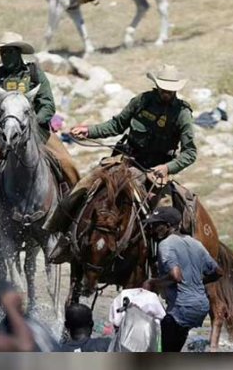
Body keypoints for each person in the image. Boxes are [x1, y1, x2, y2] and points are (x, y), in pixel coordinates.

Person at [43, 64, 197, 261]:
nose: (167, 93)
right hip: (126, 160)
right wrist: (88, 131)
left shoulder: (182, 113)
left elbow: (190, 152)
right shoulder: (142, 101)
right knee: (82, 187)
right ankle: (59, 237)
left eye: (170, 89)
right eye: (164, 88)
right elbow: (116, 125)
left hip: (155, 171)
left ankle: (160, 261)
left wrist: (168, 167)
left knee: (165, 217)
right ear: (157, 86)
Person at [0, 32, 80, 239]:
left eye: (8, 51)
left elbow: (48, 104)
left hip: (37, 131)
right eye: (2, 51)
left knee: (67, 163)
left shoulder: (35, 74)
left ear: (18, 52)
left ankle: (73, 211)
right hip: (2, 133)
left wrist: (34, 121)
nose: (3, 55)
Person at [140, 207, 223, 352]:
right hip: (201, 306)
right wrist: (198, 282)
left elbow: (175, 275)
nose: (152, 229)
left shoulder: (165, 244)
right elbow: (218, 271)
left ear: (167, 226)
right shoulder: (196, 243)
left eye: (156, 225)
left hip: (181, 308)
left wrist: (152, 282)